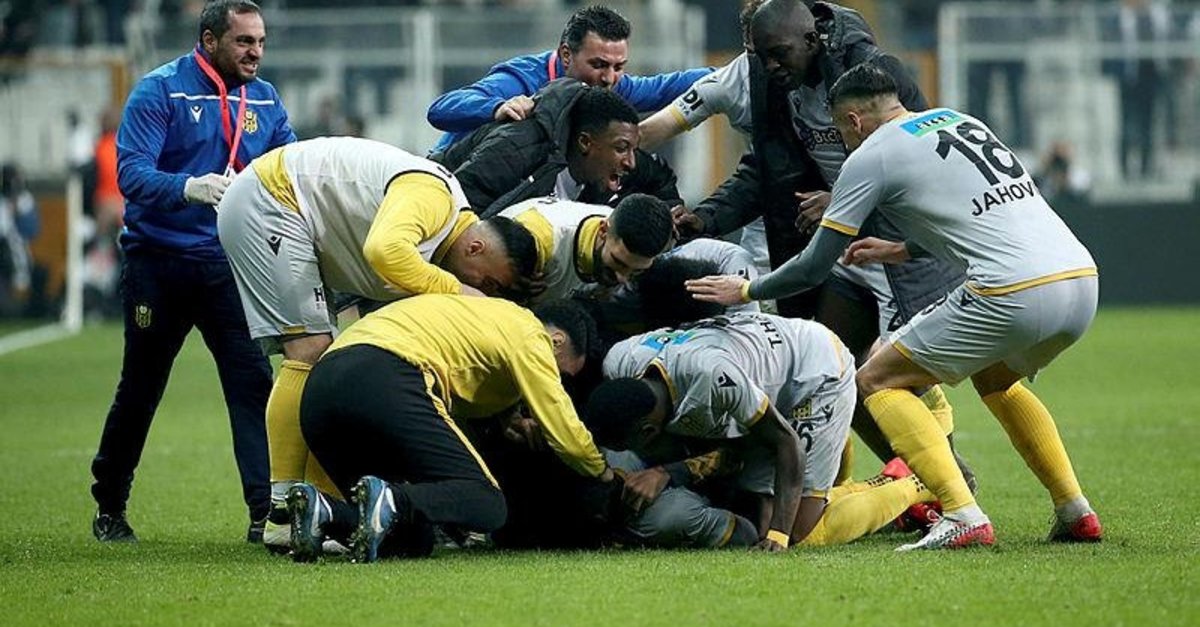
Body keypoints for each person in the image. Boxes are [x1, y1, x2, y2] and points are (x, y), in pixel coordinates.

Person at [688, 63, 1103, 550]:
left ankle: (961, 512)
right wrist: (901, 250)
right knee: (996, 380)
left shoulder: (873, 153)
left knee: (874, 380)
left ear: (853, 120)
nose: (843, 142)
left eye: (841, 131)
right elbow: (986, 214)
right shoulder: (959, 120)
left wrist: (745, 291)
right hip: (1080, 279)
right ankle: (1075, 509)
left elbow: (814, 265)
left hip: (1011, 290)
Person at [671, 0, 966, 476]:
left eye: (779, 54)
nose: (770, 66)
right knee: (830, 370)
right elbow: (767, 172)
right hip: (846, 250)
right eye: (760, 57)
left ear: (811, 40)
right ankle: (921, 476)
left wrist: (842, 198)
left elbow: (924, 154)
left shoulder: (872, 72)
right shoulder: (778, 87)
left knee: (909, 381)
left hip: (901, 250)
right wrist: (705, 217)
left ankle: (951, 485)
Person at [216, 136, 539, 551]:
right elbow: (384, 251)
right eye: (488, 282)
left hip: (288, 210)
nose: (483, 293)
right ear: (476, 247)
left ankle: (314, 508)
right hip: (273, 199)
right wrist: (456, 289)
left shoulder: (438, 241)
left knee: (325, 356)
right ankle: (279, 514)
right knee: (309, 353)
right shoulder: (435, 197)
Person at [90, 0, 295, 544]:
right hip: (158, 265)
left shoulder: (265, 99)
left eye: (260, 42)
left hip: (229, 266)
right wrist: (189, 187)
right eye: (244, 41)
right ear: (209, 41)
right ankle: (110, 505)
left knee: (253, 385)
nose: (255, 53)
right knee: (141, 387)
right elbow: (131, 174)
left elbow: (289, 168)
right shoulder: (160, 91)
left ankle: (265, 514)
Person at [283, 296, 616, 563]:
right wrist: (603, 472)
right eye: (561, 374)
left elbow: (461, 379)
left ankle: (325, 514)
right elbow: (566, 436)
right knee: (487, 502)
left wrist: (505, 416)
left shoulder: (485, 315)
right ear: (557, 341)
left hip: (320, 391)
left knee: (408, 540)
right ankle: (392, 498)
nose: (556, 380)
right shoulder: (531, 334)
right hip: (386, 372)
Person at [588, 310, 854, 551]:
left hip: (813, 373)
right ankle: (832, 449)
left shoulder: (712, 377)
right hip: (755, 385)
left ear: (647, 431)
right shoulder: (619, 361)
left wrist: (778, 536)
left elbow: (786, 441)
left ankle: (878, 485)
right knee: (757, 513)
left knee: (798, 529)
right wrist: (667, 472)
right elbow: (732, 450)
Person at [426, 4, 711, 152]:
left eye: (619, 66)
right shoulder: (523, 80)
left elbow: (664, 88)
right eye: (599, 64)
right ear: (566, 55)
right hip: (447, 182)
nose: (609, 78)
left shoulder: (610, 84)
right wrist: (497, 107)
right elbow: (440, 109)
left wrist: (728, 74)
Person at [432, 80, 682, 218]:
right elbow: (450, 210)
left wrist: (672, 212)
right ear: (585, 142)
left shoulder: (611, 162)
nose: (631, 162)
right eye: (622, 148)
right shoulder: (517, 147)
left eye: (633, 149)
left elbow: (658, 178)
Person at [497, 194, 674, 304]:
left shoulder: (619, 229)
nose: (623, 278)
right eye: (618, 262)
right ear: (603, 230)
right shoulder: (542, 236)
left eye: (636, 271)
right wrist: (508, 277)